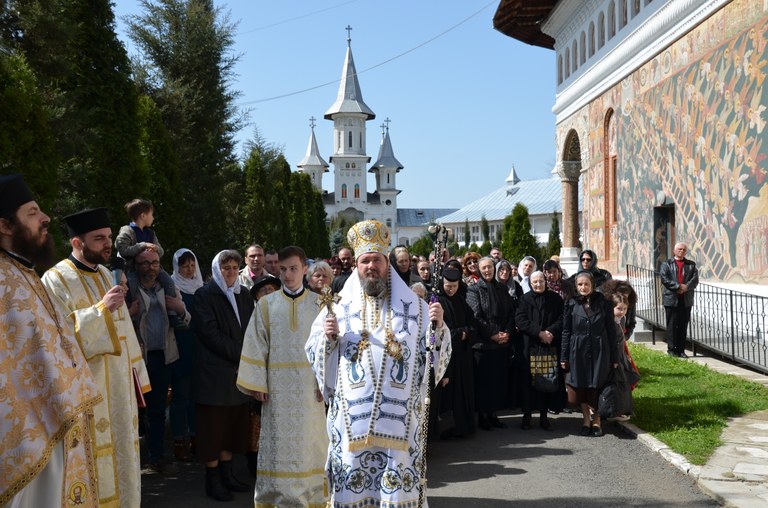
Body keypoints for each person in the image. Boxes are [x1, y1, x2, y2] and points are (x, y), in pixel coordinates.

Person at [305, 219, 451, 506]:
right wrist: (329, 340)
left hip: (399, 425)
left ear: (387, 264)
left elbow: (433, 354)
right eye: (365, 261)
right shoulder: (336, 305)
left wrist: (439, 326)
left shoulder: (417, 308)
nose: (371, 266)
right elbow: (314, 350)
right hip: (350, 424)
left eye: (377, 260)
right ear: (357, 266)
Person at [0, 174, 102, 507]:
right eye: (32, 213)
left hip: (60, 429)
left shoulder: (26, 274)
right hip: (24, 447)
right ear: (5, 225)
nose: (45, 218)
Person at [42, 207, 150, 506]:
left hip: (120, 391)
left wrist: (137, 378)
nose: (107, 244)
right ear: (77, 243)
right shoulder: (54, 279)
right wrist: (101, 310)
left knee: (125, 461)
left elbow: (125, 331)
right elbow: (55, 340)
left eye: (109, 237)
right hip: (87, 395)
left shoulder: (106, 273)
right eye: (99, 238)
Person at [238, 246, 328, 506]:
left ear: (305, 269)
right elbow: (256, 343)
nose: (288, 275)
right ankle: (276, 498)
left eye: (293, 269)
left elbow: (327, 348)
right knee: (278, 446)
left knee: (311, 443)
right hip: (277, 390)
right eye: (283, 269)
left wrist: (326, 381)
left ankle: (313, 497)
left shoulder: (320, 304)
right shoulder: (266, 304)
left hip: (310, 390)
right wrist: (257, 382)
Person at [193, 250, 255, 501]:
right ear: (217, 270)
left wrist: (249, 358)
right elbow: (210, 335)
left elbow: (252, 328)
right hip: (214, 374)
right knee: (212, 430)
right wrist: (243, 355)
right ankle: (213, 479)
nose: (230, 272)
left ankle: (228, 475)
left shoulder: (245, 294)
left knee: (231, 427)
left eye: (234, 267)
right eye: (225, 267)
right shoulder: (204, 295)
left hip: (238, 374)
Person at [128, 246, 189, 472]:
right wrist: (129, 313)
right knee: (134, 410)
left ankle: (156, 457)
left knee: (156, 409)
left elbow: (187, 320)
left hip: (163, 356)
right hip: (137, 359)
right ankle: (131, 460)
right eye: (145, 263)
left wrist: (180, 308)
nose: (150, 267)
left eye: (154, 263)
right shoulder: (129, 290)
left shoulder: (167, 288)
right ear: (136, 265)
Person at [560, 272, 618, 437]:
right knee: (582, 386)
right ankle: (586, 419)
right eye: (580, 285)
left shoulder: (604, 303)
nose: (583, 288)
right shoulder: (570, 304)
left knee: (597, 385)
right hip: (577, 351)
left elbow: (611, 332)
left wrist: (614, 357)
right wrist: (564, 356)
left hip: (600, 350)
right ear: (576, 286)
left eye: (586, 284)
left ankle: (597, 420)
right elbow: (566, 331)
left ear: (592, 284)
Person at [115, 198, 182, 327]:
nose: (153, 218)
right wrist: (142, 246)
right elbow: (122, 249)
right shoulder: (127, 231)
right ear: (143, 215)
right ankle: (133, 316)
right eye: (152, 214)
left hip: (153, 268)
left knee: (168, 281)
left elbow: (161, 251)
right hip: (134, 269)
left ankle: (172, 314)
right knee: (131, 286)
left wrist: (155, 248)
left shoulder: (150, 233)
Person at [466, 256, 515, 431]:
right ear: (479, 270)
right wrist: (493, 335)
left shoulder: (501, 288)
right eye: (484, 268)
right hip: (482, 345)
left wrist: (507, 333)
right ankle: (483, 417)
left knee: (497, 382)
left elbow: (511, 313)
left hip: (501, 344)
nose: (487, 270)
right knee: (484, 383)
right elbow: (476, 317)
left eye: (490, 267)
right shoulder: (473, 290)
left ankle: (493, 414)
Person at [514, 271, 564, 431]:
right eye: (535, 282)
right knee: (527, 384)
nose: (538, 284)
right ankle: (527, 416)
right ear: (530, 283)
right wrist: (539, 333)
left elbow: (562, 318)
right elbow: (520, 320)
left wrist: (550, 332)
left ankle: (544, 416)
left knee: (546, 382)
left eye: (541, 281)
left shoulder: (555, 299)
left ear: (545, 281)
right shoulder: (524, 299)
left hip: (548, 346)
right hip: (529, 348)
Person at [170, 248, 204, 461]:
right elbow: (176, 320)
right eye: (185, 265)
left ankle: (195, 436)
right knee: (180, 396)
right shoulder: (172, 287)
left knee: (196, 396)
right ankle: (178, 439)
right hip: (180, 347)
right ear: (177, 267)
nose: (189, 269)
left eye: (192, 265)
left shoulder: (201, 287)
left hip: (198, 347)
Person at [436, 266, 477, 438]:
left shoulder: (461, 301)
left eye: (454, 286)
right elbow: (438, 332)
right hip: (447, 357)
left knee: (464, 391)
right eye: (448, 286)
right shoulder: (437, 302)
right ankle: (448, 429)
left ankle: (463, 427)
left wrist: (466, 332)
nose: (451, 289)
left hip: (463, 355)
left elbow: (472, 324)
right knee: (449, 393)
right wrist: (459, 333)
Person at [659, 242, 699, 358]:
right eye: (679, 249)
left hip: (685, 300)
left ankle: (681, 350)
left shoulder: (691, 265)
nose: (682, 251)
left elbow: (695, 279)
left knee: (683, 325)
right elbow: (664, 278)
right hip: (671, 299)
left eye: (684, 250)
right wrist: (678, 287)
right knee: (671, 325)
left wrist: (686, 287)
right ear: (674, 251)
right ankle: (671, 349)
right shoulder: (666, 264)